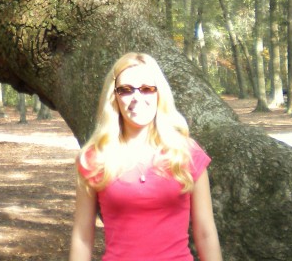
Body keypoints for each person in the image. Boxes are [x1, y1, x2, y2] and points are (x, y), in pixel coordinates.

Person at [68, 52, 222, 261]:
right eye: (126, 90)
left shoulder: (186, 153)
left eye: (147, 89)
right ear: (114, 97)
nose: (137, 98)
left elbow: (205, 232)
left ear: (160, 95)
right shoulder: (95, 158)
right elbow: (82, 237)